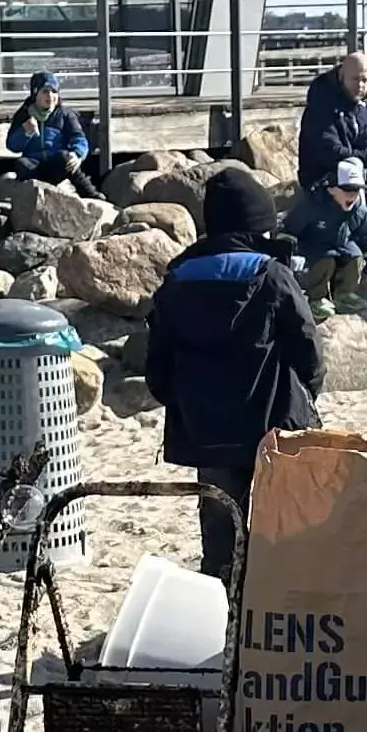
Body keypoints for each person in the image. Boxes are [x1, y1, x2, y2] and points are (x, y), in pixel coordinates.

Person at [144, 167, 321, 581]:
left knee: (220, 537)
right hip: (268, 428)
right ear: (256, 225)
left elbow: (157, 371)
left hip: (205, 434)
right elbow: (308, 352)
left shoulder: (177, 279)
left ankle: (223, 621)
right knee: (276, 532)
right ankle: (264, 625)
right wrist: (306, 399)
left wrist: (186, 403)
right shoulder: (272, 276)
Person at [289, 156, 367, 311]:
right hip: (314, 248)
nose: (353, 195)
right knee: (326, 260)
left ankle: (344, 294)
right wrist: (288, 251)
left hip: (342, 244)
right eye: (348, 190)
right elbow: (290, 228)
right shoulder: (313, 204)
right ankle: (316, 298)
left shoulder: (359, 211)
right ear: (332, 189)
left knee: (355, 256)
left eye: (357, 190)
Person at [296, 47, 367, 195]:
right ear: (341, 76)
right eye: (355, 79)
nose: (360, 86)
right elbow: (331, 151)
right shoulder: (321, 105)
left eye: (365, 80)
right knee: (353, 166)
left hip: (366, 186)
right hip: (323, 184)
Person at [4, 72, 101, 194]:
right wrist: (25, 132)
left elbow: (79, 137)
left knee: (67, 159)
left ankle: (91, 194)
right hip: (34, 165)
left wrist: (77, 154)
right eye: (45, 91)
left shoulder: (65, 114)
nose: (50, 96)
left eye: (54, 91)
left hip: (56, 163)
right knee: (21, 164)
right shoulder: (23, 114)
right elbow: (12, 145)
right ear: (35, 93)